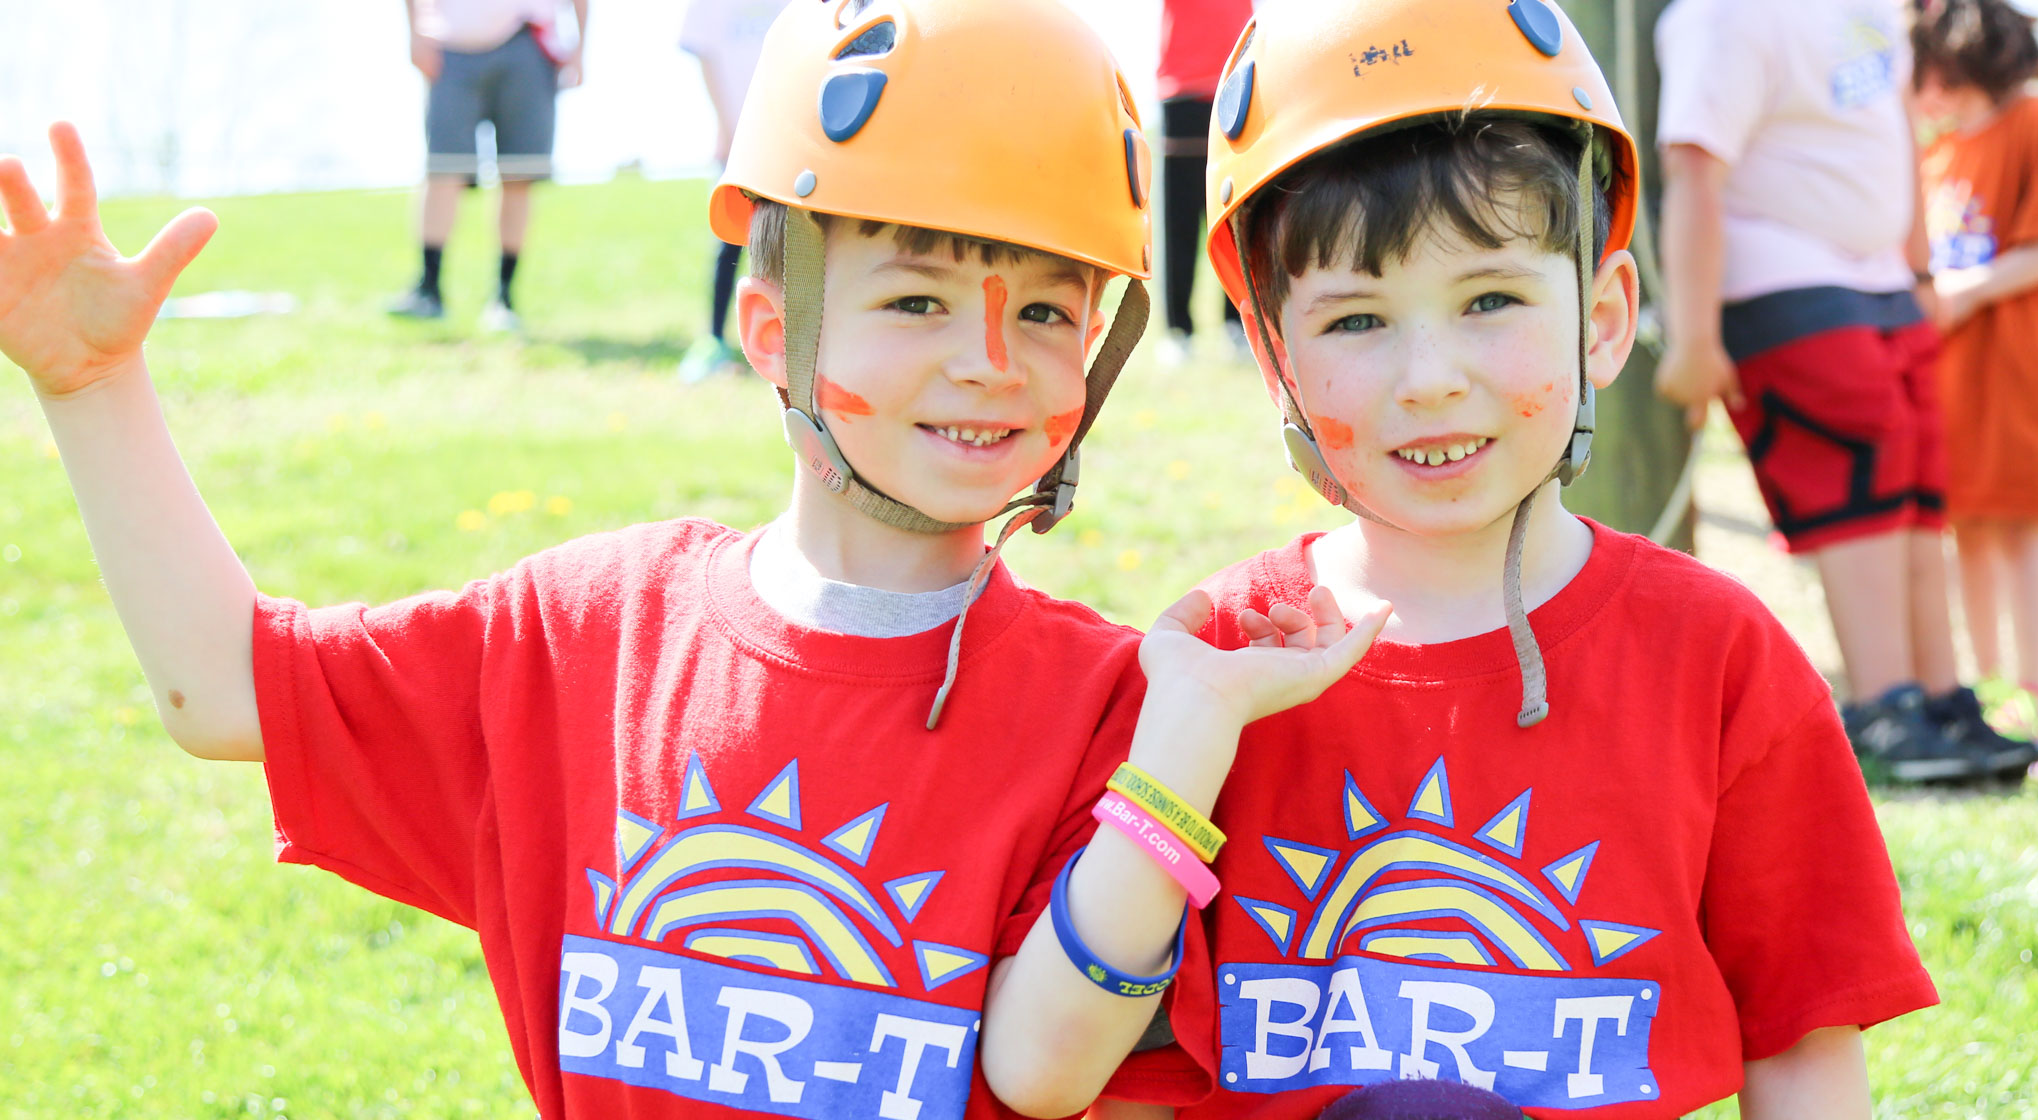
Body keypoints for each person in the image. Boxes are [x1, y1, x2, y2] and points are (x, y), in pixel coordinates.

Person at [0, 0, 1181, 1113]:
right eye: (918, 300)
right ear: (775, 330)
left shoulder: (1123, 712)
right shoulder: (586, 634)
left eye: (1043, 313)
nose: (990, 361)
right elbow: (220, 686)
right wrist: (94, 390)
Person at [1069, 2, 1937, 1115]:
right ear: (1276, 361)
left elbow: (1804, 1047)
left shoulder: (1721, 661)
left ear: (1605, 317)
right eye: (1356, 321)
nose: (1428, 377)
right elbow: (1137, 1077)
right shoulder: (1221, 664)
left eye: (1490, 299)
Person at [1652, 0, 2035, 781]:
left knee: (1920, 488)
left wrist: (1922, 270)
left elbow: (1894, 129)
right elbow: (1693, 165)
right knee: (1858, 480)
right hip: (1784, 276)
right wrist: (1694, 336)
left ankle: (1936, 696)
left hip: (1884, 279)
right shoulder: (1723, 17)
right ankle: (1883, 705)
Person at [1911, 0, 2038, 755]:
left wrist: (1969, 290)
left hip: (2021, 369)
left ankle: (2033, 689)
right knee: (1968, 529)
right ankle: (1986, 683)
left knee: (2017, 527)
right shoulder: (1941, 150)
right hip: (1952, 374)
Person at [391, 0, 587, 331]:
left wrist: (580, 47)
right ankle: (428, 290)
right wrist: (414, 32)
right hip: (449, 45)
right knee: (443, 170)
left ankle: (504, 299)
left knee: (518, 175)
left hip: (527, 42)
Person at [675, 0, 792, 383]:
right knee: (730, 237)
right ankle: (713, 341)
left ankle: (801, 343)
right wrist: (726, 125)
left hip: (795, 133)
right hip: (738, 134)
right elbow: (704, 54)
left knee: (798, 238)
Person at [1153, 0, 1250, 367]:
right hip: (1183, 88)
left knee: (1238, 215)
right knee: (1179, 222)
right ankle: (1179, 331)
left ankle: (1238, 323)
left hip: (1238, 80)